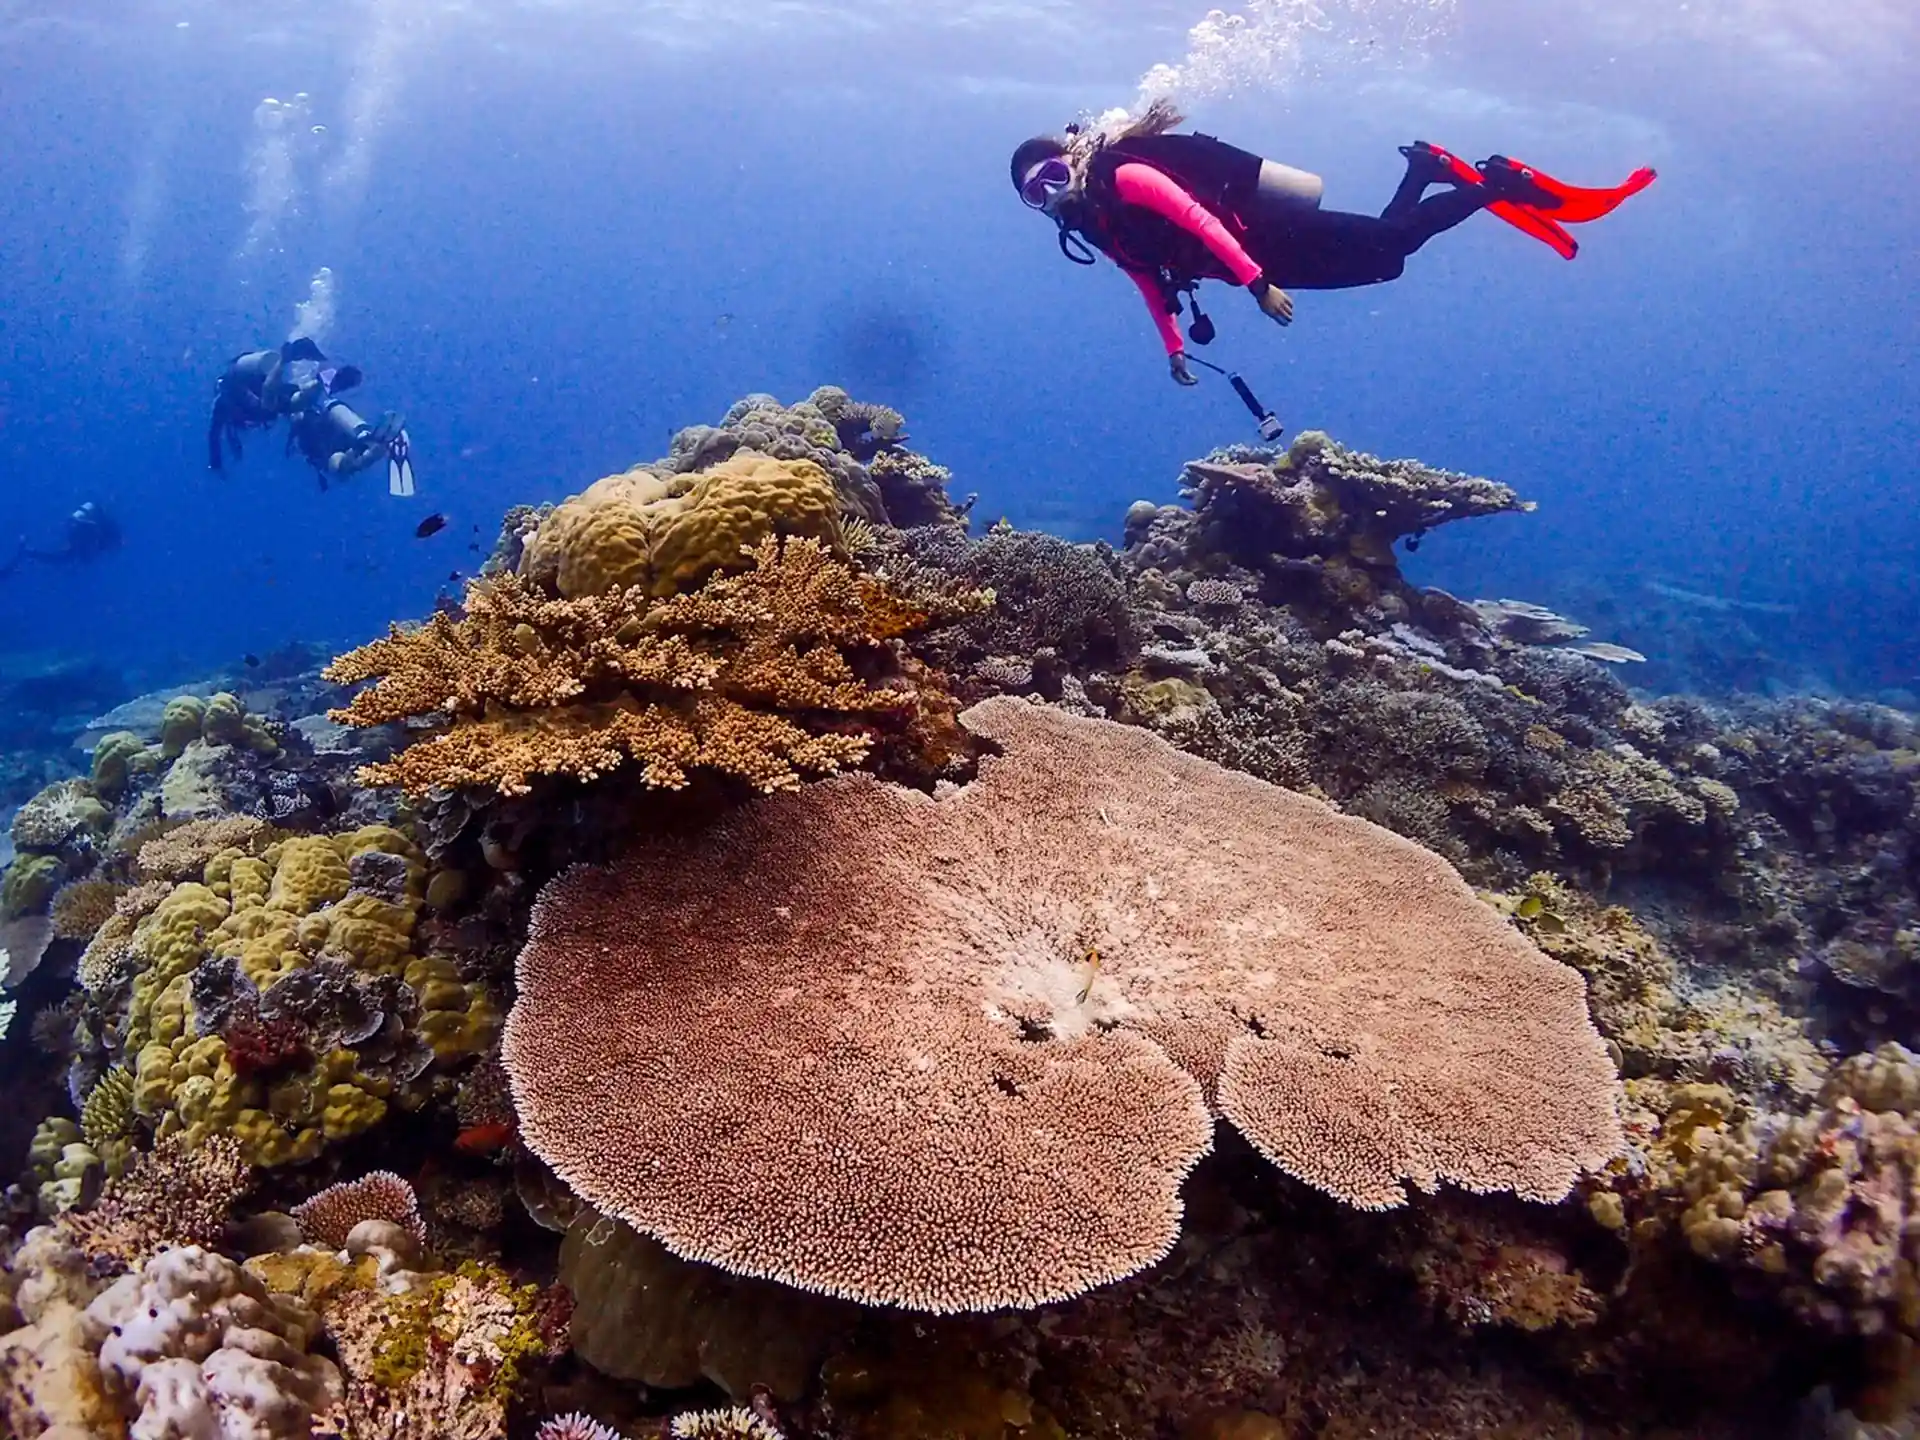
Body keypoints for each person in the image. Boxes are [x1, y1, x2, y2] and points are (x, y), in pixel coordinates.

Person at [1011, 104, 1656, 384]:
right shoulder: (1095, 223)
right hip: (1259, 262)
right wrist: (1174, 349)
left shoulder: (1125, 175)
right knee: (1387, 261)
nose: (1053, 194)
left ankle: (1497, 183)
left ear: (1074, 159)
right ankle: (1424, 169)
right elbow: (1145, 278)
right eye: (1037, 194)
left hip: (1264, 240)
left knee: (1392, 246)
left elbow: (1195, 219)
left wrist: (1258, 283)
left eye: (1053, 175)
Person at [207, 338, 364, 472]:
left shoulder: (223, 402)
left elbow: (214, 435)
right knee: (294, 402)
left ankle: (284, 361)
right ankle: (319, 381)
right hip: (273, 385)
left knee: (269, 408)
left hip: (265, 393)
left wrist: (215, 464)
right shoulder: (237, 386)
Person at [286, 396, 416, 497]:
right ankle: (371, 439)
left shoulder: (302, 424)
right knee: (333, 406)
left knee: (344, 467)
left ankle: (369, 446)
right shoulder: (316, 412)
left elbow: (296, 422)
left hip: (328, 448)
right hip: (342, 431)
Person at [0, 501, 123, 580]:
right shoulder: (94, 519)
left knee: (62, 559)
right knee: (62, 558)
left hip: (81, 539)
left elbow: (88, 557)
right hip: (81, 536)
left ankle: (27, 551)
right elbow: (73, 519)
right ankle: (27, 551)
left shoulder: (102, 532)